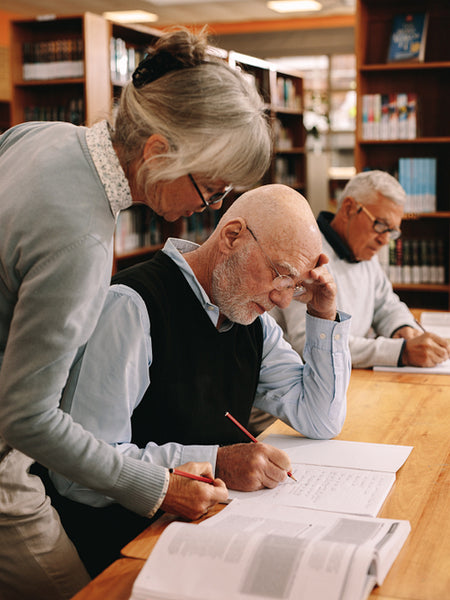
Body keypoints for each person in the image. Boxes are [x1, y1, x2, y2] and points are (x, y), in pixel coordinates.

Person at [0, 27, 272, 600]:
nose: (210, 209)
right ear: (156, 152)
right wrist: (157, 488)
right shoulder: (84, 242)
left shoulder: (40, 135)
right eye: (212, 189)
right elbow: (24, 418)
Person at [38, 184, 352, 577]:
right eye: (280, 274)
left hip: (207, 532)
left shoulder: (251, 319)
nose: (285, 299)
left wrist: (324, 312)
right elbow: (75, 474)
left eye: (295, 285)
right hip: (127, 548)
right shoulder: (132, 306)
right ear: (232, 236)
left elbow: (321, 419)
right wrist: (214, 462)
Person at [271, 170, 450, 369]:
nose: (384, 240)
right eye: (381, 225)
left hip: (351, 374)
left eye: (392, 232)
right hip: (307, 379)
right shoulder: (305, 253)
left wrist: (403, 328)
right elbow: (308, 342)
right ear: (349, 208)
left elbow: (386, 305)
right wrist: (400, 352)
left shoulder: (362, 250)